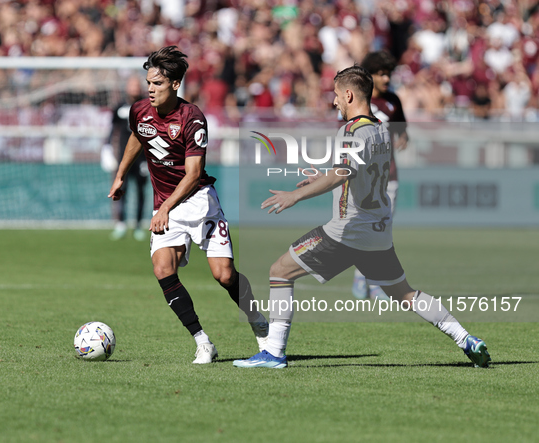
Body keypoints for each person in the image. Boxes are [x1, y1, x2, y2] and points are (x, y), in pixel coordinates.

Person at [233, 65, 490, 369]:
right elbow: (354, 169)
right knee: (406, 294)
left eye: (337, 95)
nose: (334, 102)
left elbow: (344, 172)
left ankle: (273, 353)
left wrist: (295, 196)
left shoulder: (351, 131)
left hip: (347, 231)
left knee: (280, 271)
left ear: (350, 94)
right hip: (377, 232)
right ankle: (466, 339)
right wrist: (320, 176)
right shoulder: (381, 127)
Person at [108, 46, 268, 364]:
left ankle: (260, 322)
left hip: (199, 202)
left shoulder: (192, 118)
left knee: (223, 275)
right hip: (165, 205)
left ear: (175, 84)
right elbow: (137, 137)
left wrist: (166, 208)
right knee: (162, 268)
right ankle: (202, 341)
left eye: (157, 84)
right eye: (148, 82)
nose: (150, 89)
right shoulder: (139, 110)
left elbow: (194, 174)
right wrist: (120, 174)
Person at [350, 50, 409, 301]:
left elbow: (403, 129)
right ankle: (362, 276)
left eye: (388, 73)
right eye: (381, 73)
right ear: (369, 76)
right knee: (363, 227)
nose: (386, 79)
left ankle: (372, 282)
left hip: (389, 177)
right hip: (361, 176)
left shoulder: (393, 100)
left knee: (382, 229)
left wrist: (403, 138)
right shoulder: (358, 102)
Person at [102, 76, 149, 241]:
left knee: (141, 191)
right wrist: (107, 148)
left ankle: (138, 225)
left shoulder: (148, 106)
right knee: (121, 189)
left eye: (137, 85)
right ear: (127, 87)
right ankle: (120, 223)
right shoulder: (120, 107)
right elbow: (112, 129)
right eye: (132, 85)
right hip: (124, 157)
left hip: (142, 158)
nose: (134, 88)